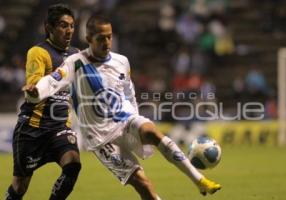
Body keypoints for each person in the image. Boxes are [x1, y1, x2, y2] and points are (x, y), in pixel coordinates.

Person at [24, 14, 221, 200]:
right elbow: (52, 81)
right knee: (143, 185)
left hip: (125, 120)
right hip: (101, 138)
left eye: (109, 37)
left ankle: (200, 180)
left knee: (152, 131)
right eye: (101, 38)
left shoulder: (121, 61)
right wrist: (36, 92)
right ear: (88, 39)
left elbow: (129, 93)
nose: (107, 42)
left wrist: (135, 119)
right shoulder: (75, 63)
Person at [5, 4, 81, 200]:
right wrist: (33, 91)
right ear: (49, 27)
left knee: (73, 163)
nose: (69, 30)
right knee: (20, 187)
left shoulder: (76, 55)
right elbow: (34, 87)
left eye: (72, 26)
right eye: (64, 25)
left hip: (59, 127)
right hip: (32, 130)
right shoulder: (38, 53)